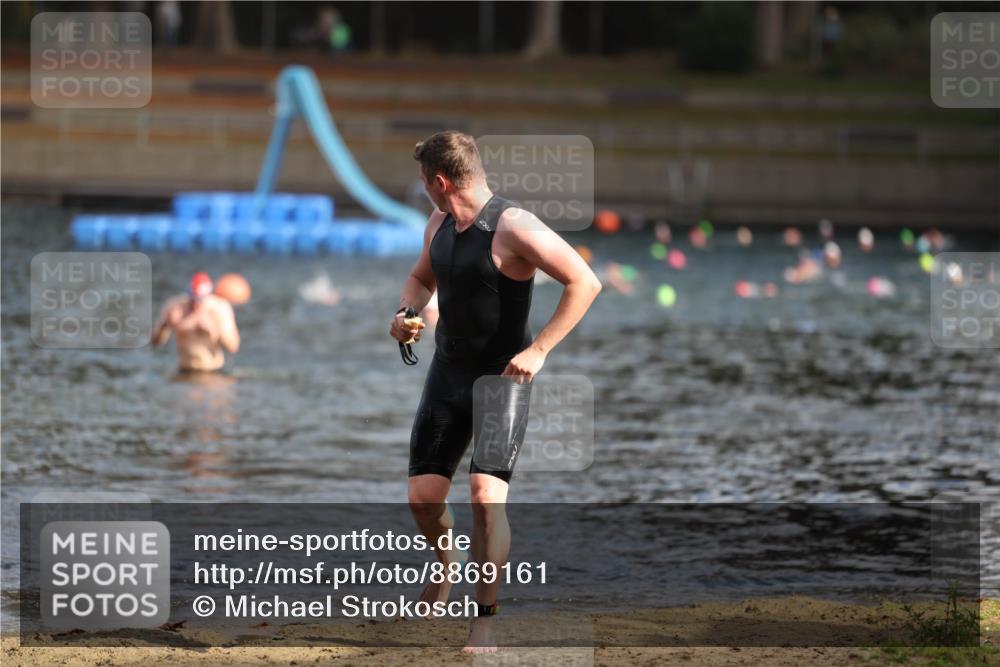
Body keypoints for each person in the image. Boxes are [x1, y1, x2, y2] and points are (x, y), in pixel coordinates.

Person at [389, 131, 601, 653]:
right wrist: (405, 315)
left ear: (440, 181)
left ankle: (483, 616)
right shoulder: (438, 223)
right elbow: (420, 279)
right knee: (423, 499)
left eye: (424, 182)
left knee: (485, 498)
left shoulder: (514, 226)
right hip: (447, 374)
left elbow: (585, 281)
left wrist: (541, 350)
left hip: (501, 380)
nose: (423, 191)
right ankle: (448, 562)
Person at [151, 272, 240, 374]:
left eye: (200, 300)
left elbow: (233, 347)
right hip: (184, 370)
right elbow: (155, 343)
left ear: (209, 295)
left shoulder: (220, 309)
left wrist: (216, 330)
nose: (196, 304)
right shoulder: (176, 306)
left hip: (212, 371)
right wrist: (165, 324)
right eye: (193, 299)